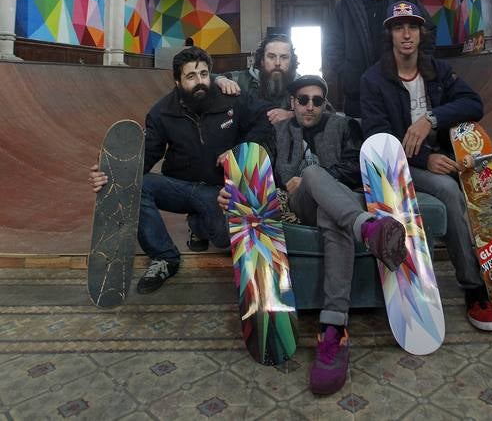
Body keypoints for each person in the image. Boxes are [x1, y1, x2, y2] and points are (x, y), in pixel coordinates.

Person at [360, 0, 492, 331]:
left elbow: (473, 103)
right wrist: (423, 158)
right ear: (389, 34)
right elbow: (377, 137)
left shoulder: (436, 70)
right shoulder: (373, 80)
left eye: (412, 27)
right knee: (448, 192)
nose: (406, 34)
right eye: (399, 27)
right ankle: (474, 287)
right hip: (407, 166)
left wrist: (430, 119)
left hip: (454, 157)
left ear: (420, 33)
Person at [250, 74, 406, 395]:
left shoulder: (343, 126)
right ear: (292, 103)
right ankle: (367, 227)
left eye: (317, 101)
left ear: (325, 103)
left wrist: (323, 179)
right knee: (309, 173)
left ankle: (333, 327)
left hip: (338, 204)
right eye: (303, 100)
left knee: (329, 209)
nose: (310, 107)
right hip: (298, 202)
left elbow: (353, 165)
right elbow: (258, 158)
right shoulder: (277, 130)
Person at [89, 46, 273, 293]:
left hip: (219, 191)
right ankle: (164, 256)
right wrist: (110, 173)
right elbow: (147, 155)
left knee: (222, 239)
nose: (200, 82)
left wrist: (239, 152)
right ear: (177, 81)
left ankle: (198, 223)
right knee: (137, 184)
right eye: (191, 76)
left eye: (204, 74)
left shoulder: (232, 98)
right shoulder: (161, 112)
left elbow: (263, 123)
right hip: (181, 188)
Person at [327, 0, 435, 118]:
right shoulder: (345, 5)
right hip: (358, 93)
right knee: (362, 142)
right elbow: (332, 45)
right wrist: (347, 72)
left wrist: (420, 64)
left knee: (404, 141)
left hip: (402, 89)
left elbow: (427, 32)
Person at [216, 31, 298, 125]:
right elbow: (207, 79)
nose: (277, 63)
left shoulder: (301, 85)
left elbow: (316, 112)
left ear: (291, 61)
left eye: (284, 57)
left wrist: (292, 114)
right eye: (271, 57)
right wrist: (220, 79)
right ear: (262, 60)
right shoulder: (241, 79)